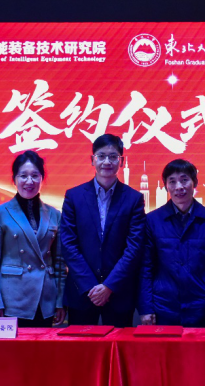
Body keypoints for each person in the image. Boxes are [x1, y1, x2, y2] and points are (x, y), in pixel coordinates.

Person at [60, 134, 146, 327]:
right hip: (82, 292)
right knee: (81, 345)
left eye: (113, 156)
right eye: (101, 156)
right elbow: (68, 245)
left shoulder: (134, 199)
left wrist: (109, 286)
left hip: (119, 292)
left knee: (119, 344)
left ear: (121, 161)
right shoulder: (74, 196)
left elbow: (134, 248)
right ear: (93, 160)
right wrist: (91, 286)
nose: (107, 162)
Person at [138, 159, 205, 327]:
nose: (179, 187)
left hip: (202, 308)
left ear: (195, 182)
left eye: (184, 180)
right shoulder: (152, 221)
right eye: (172, 181)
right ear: (166, 186)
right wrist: (145, 308)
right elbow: (145, 268)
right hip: (162, 308)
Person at [0, 151, 66, 327]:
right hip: (12, 301)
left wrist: (60, 302)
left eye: (35, 176)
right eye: (23, 176)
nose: (29, 181)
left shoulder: (55, 214)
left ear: (42, 178)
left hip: (46, 300)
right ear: (14, 179)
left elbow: (59, 264)